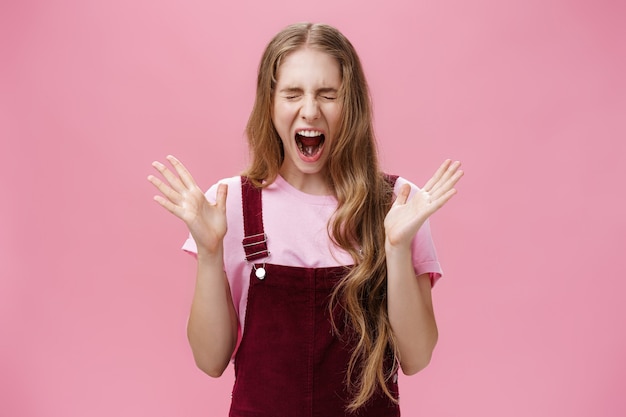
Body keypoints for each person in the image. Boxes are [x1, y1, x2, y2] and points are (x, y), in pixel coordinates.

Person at [148, 22, 463, 416]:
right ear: (270, 103)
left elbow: (416, 357)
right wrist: (211, 252)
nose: (310, 110)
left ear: (352, 105)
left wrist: (395, 249)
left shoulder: (397, 205)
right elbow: (210, 361)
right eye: (292, 94)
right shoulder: (228, 205)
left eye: (328, 95)